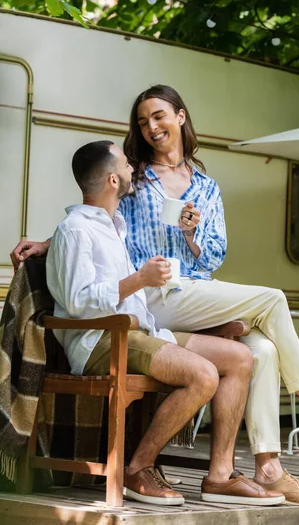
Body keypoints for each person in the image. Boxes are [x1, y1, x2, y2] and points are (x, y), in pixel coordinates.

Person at [11, 87, 299, 507]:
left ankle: (260, 470)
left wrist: (191, 233)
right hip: (153, 296)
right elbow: (95, 217)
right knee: (273, 299)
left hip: (192, 292)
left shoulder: (206, 187)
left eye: (158, 116)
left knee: (256, 350)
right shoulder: (135, 178)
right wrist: (49, 242)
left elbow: (214, 254)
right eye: (142, 121)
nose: (150, 127)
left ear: (181, 117)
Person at [44, 139, 284, 508]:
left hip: (140, 333)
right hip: (102, 340)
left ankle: (219, 476)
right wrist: (139, 280)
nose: (131, 170)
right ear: (112, 181)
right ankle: (138, 468)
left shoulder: (114, 226)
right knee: (202, 375)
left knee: (240, 358)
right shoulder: (75, 229)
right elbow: (78, 302)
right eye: (125, 165)